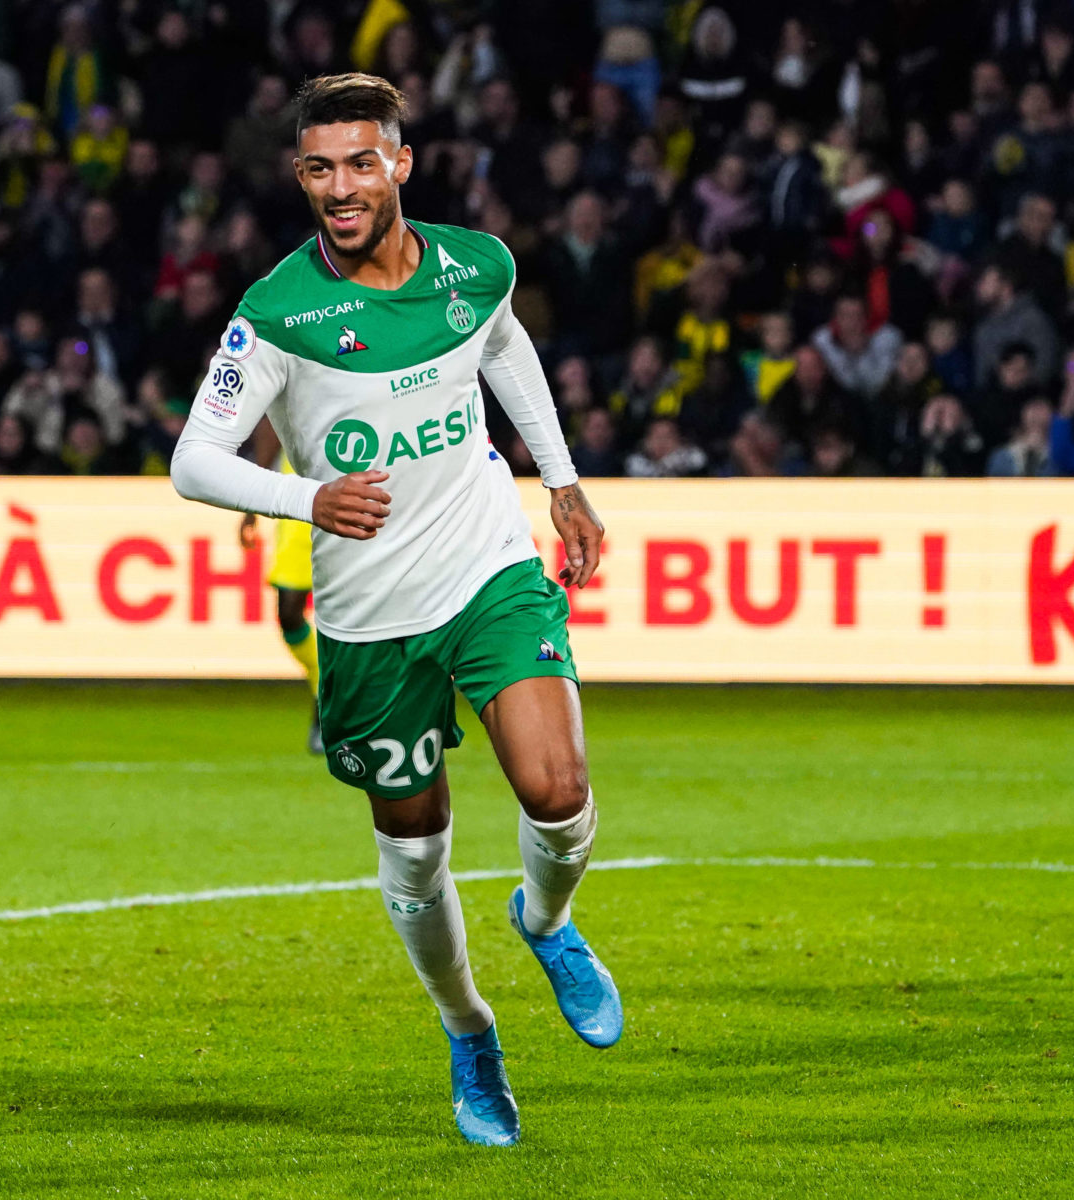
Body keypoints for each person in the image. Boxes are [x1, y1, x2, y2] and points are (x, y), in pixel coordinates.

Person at [170, 74, 617, 1148]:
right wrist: (306, 496)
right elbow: (194, 461)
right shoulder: (278, 311)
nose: (340, 187)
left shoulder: (478, 266)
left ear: (401, 164)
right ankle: (470, 1031)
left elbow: (505, 348)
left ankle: (547, 922)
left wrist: (559, 478)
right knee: (416, 854)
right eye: (319, 168)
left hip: (487, 569)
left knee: (556, 788)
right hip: (370, 621)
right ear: (300, 177)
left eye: (361, 162)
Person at [236, 420, 323, 753]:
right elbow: (273, 421)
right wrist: (251, 506)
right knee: (289, 614)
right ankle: (323, 684)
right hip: (300, 494)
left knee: (355, 615)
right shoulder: (294, 367)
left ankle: (330, 716)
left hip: (359, 483)